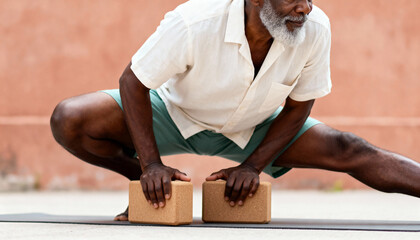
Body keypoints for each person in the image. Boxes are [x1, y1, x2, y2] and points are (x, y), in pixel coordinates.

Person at [50, 0, 420, 221]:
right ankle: (158, 193)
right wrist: (149, 166)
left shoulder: (314, 27)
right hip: (175, 114)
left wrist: (253, 166)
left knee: (349, 147)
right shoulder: (194, 21)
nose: (305, 8)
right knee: (70, 118)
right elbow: (133, 81)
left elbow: (298, 106)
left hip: (256, 126)